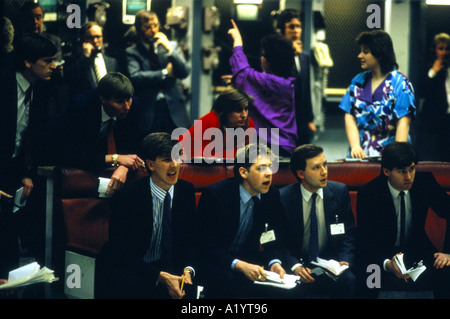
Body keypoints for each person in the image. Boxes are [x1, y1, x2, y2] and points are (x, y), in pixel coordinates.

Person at [95, 132, 198, 299]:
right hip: (136, 267)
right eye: (167, 160)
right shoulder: (128, 197)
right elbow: (120, 251)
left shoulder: (186, 191)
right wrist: (159, 275)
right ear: (150, 165)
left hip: (171, 266)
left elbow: (190, 239)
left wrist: (188, 270)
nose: (175, 165)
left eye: (177, 157)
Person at [356, 142, 450, 298]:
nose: (408, 177)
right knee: (369, 278)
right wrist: (387, 264)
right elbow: (365, 239)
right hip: (381, 254)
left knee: (446, 272)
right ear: (386, 171)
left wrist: (447, 252)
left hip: (417, 249)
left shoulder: (424, 182)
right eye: (401, 172)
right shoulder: (369, 193)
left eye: (412, 169)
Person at [196, 144, 288, 298]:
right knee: (228, 282)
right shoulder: (215, 195)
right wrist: (239, 265)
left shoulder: (271, 195)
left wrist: (275, 262)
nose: (269, 174)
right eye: (261, 168)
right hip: (214, 262)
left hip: (248, 260)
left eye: (270, 167)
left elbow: (274, 238)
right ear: (243, 172)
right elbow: (204, 247)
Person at [0, 33, 57, 278]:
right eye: (47, 61)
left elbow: (27, 137)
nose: (53, 66)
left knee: (10, 234)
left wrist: (25, 172)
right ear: (27, 62)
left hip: (13, 168)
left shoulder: (41, 89)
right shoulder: (3, 85)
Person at [279, 144, 357, 298]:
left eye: (325, 165)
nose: (324, 171)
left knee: (350, 281)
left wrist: (345, 260)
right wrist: (294, 266)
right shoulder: (283, 198)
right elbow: (279, 242)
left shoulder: (339, 192)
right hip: (298, 264)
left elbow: (348, 234)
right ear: (301, 174)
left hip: (331, 263)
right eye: (316, 168)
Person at [58, 72, 145, 195]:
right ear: (103, 99)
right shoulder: (81, 106)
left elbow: (138, 145)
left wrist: (125, 166)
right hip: (83, 162)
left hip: (112, 167)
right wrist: (116, 158)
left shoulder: (135, 105)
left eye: (128, 99)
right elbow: (70, 154)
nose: (127, 107)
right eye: (120, 101)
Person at [339, 30, 415, 159]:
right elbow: (349, 115)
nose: (359, 55)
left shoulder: (400, 83)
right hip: (361, 151)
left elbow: (403, 122)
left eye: (365, 51)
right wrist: (355, 146)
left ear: (379, 54)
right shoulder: (358, 81)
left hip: (391, 150)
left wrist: (397, 156)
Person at [228, 19, 297, 157]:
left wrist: (237, 40)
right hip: (286, 146)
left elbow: (242, 72)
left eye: (263, 54)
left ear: (268, 60)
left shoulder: (268, 82)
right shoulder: (287, 83)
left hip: (270, 147)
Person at [126, 10, 191, 135]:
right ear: (139, 29)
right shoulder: (132, 52)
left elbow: (184, 72)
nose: (154, 30)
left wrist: (169, 49)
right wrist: (165, 73)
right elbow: (135, 77)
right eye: (148, 27)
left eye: (156, 25)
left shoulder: (170, 46)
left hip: (174, 109)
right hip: (149, 110)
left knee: (178, 151)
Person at [179, 86, 256, 160]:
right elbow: (195, 157)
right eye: (238, 110)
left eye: (246, 109)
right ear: (225, 111)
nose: (244, 115)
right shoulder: (211, 121)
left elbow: (248, 156)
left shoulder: (248, 124)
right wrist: (237, 153)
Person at [277, 9, 316, 145]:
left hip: (301, 118)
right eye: (291, 27)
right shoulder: (274, 54)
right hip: (281, 117)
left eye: (298, 26)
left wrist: (310, 119)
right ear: (283, 30)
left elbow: (306, 91)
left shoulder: (304, 57)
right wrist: (289, 53)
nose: (295, 30)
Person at [417, 33, 450, 162]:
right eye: (441, 48)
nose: (444, 52)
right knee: (432, 157)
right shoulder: (427, 69)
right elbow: (422, 92)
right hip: (432, 122)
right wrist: (433, 72)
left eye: (447, 49)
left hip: (449, 120)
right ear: (434, 50)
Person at [64, 21, 119, 96]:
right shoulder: (74, 61)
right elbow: (72, 80)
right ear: (83, 40)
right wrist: (86, 55)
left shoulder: (112, 61)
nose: (95, 41)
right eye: (90, 37)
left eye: (98, 37)